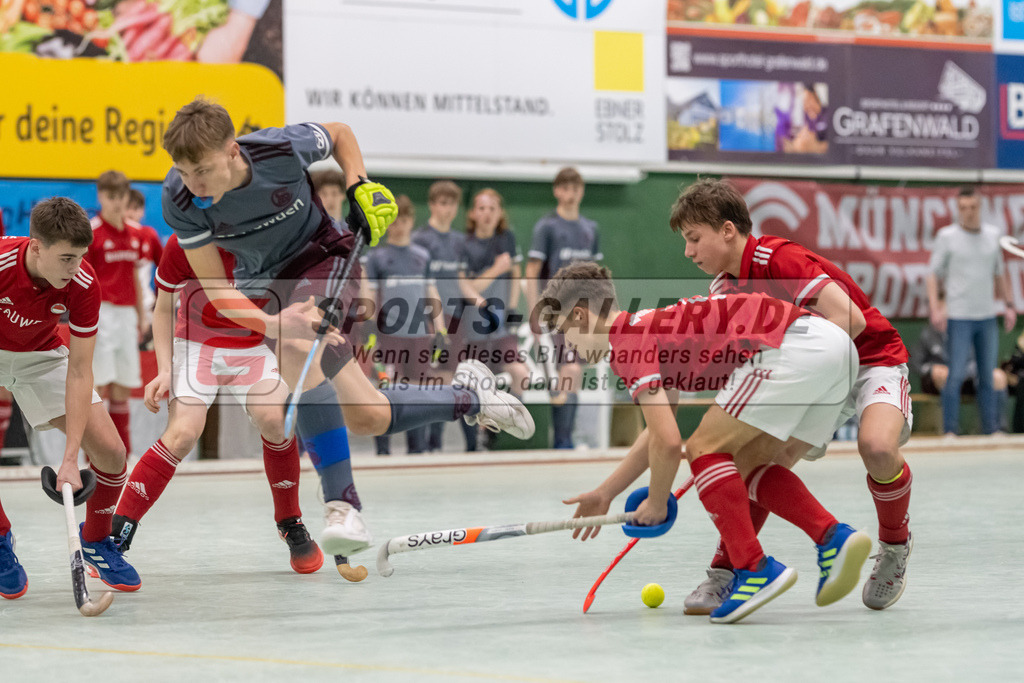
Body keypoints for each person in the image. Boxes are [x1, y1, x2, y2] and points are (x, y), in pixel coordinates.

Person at [159, 98, 533, 559]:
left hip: (324, 256)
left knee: (297, 350)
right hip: (267, 288)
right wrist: (275, 320)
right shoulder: (180, 198)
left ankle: (343, 506)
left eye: (203, 170)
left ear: (233, 151)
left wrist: (359, 184)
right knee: (367, 415)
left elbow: (338, 132)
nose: (193, 184)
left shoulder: (278, 149)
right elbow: (218, 292)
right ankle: (472, 395)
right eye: (184, 171)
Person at [545, 262, 869, 624]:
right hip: (835, 347)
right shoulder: (646, 326)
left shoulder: (628, 345)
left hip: (790, 347)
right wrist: (606, 493)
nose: (568, 346)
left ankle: (754, 568)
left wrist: (655, 503)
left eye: (564, 333)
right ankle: (833, 537)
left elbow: (671, 444)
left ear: (579, 315)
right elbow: (658, 431)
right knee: (749, 467)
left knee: (704, 450)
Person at [671, 178, 915, 612]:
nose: (688, 252)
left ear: (728, 230)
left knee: (877, 447)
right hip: (818, 371)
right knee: (752, 463)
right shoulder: (724, 289)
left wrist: (801, 378)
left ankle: (894, 547)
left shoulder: (777, 258)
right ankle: (728, 570)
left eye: (694, 238)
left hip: (870, 357)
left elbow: (850, 320)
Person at [109, 234, 325, 574]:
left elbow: (297, 302)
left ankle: (290, 521)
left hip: (252, 347)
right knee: (183, 433)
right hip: (196, 345)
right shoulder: (184, 244)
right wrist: (164, 369)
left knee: (277, 418)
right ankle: (116, 534)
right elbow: (163, 308)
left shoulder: (273, 239)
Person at [0, 197, 140, 598]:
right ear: (36, 246)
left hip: (41, 358)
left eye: (80, 257)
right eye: (65, 258)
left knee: (112, 453)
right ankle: (0, 539)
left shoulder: (83, 283)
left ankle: (96, 540)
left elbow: (79, 371)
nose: (74, 268)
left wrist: (70, 458)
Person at [927, 186, 1016, 437]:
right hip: (958, 316)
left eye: (973, 207)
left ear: (981, 206)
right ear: (958, 209)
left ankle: (992, 429)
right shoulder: (947, 237)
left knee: (987, 376)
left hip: (987, 316)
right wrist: (936, 308)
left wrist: (1008, 306)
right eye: (963, 208)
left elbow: (999, 273)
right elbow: (933, 275)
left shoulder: (993, 235)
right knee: (954, 375)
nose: (968, 212)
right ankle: (950, 431)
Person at [362, 195, 447, 455]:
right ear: (387, 223)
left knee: (419, 393)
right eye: (394, 220)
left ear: (411, 221)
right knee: (387, 392)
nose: (399, 225)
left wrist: (440, 329)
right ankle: (383, 451)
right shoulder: (376, 257)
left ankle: (417, 450)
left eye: (405, 219)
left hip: (420, 335)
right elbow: (368, 294)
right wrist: (368, 324)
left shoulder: (422, 255)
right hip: (390, 336)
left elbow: (431, 290)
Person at [525, 167, 602, 449]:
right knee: (568, 371)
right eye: (565, 188)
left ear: (581, 191)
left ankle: (564, 439)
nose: (571, 194)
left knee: (572, 374)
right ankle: (563, 441)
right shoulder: (547, 227)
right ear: (557, 191)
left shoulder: (590, 229)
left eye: (576, 187)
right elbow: (532, 271)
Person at [458, 188, 529, 449]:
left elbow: (514, 275)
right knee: (474, 385)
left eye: (492, 208)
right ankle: (473, 441)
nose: (487, 213)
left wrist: (510, 309)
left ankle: (500, 423)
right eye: (481, 208)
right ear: (473, 214)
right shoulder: (464, 245)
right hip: (472, 330)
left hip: (501, 330)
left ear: (500, 213)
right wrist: (496, 269)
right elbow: (468, 287)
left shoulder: (507, 239)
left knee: (521, 373)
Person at [88, 170, 147, 457]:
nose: (116, 202)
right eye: (110, 196)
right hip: (100, 314)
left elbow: (136, 278)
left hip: (126, 316)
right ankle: (94, 456)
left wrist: (142, 315)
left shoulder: (135, 234)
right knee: (99, 384)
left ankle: (123, 453)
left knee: (124, 383)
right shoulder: (91, 232)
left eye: (120, 196)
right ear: (100, 196)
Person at [411, 180, 466, 451]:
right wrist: (434, 323)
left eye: (452, 203)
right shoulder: (421, 240)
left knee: (449, 379)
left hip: (458, 320)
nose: (447, 209)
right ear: (432, 205)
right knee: (427, 380)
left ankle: (437, 441)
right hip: (429, 321)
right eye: (442, 203)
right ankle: (423, 443)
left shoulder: (459, 241)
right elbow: (421, 284)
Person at [912, 321, 1009, 431]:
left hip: (970, 377)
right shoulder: (928, 333)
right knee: (944, 374)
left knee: (998, 376)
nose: (938, 317)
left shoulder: (970, 328)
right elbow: (915, 362)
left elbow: (978, 361)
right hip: (941, 381)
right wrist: (931, 368)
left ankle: (996, 429)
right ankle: (950, 430)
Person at [126, 187, 165, 342]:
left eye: (135, 209)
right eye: (127, 208)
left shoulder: (148, 235)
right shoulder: (108, 236)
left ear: (142, 211)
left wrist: (160, 301)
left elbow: (165, 269)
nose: (130, 213)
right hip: (118, 306)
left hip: (146, 305)